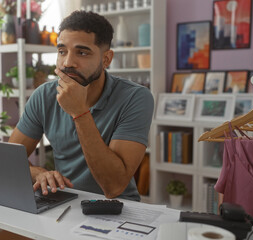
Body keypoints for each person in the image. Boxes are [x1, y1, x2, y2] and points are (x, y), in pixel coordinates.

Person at [9, 10, 154, 201]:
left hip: (117, 209)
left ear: (106, 59)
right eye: (62, 51)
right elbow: (10, 160)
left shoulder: (136, 98)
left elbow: (114, 186)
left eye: (82, 52)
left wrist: (79, 111)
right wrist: (38, 173)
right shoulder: (44, 95)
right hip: (64, 202)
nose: (68, 62)